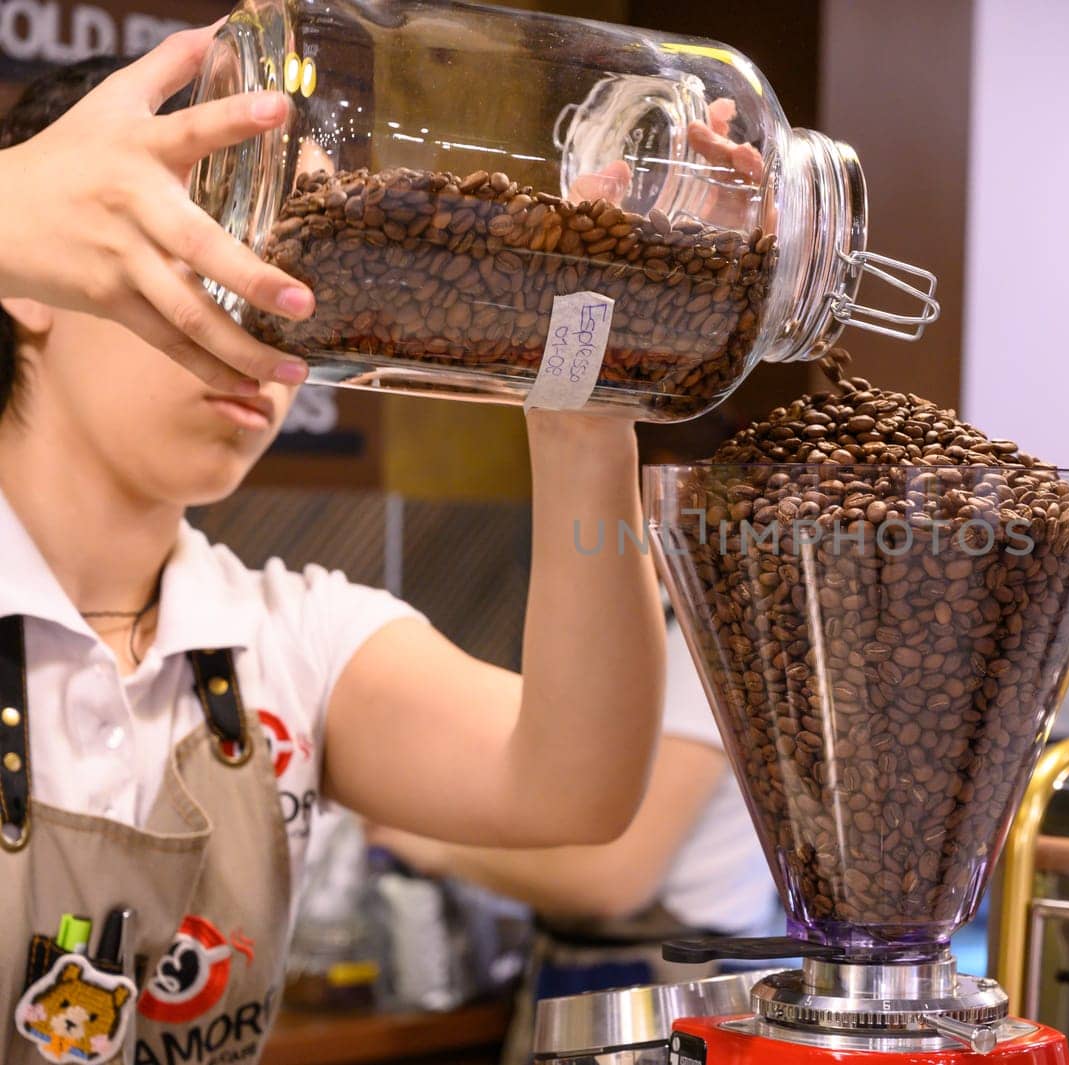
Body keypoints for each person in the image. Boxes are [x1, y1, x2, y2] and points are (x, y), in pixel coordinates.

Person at [0, 30, 665, 1065]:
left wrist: (587, 407)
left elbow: (576, 786)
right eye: (214, 233)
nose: (267, 318)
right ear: (36, 272)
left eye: (304, 263)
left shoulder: (289, 635)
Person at [369, 608, 780, 1062]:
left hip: (669, 1001)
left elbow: (612, 880)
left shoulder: (695, 646)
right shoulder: (662, 630)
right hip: (605, 977)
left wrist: (440, 850)